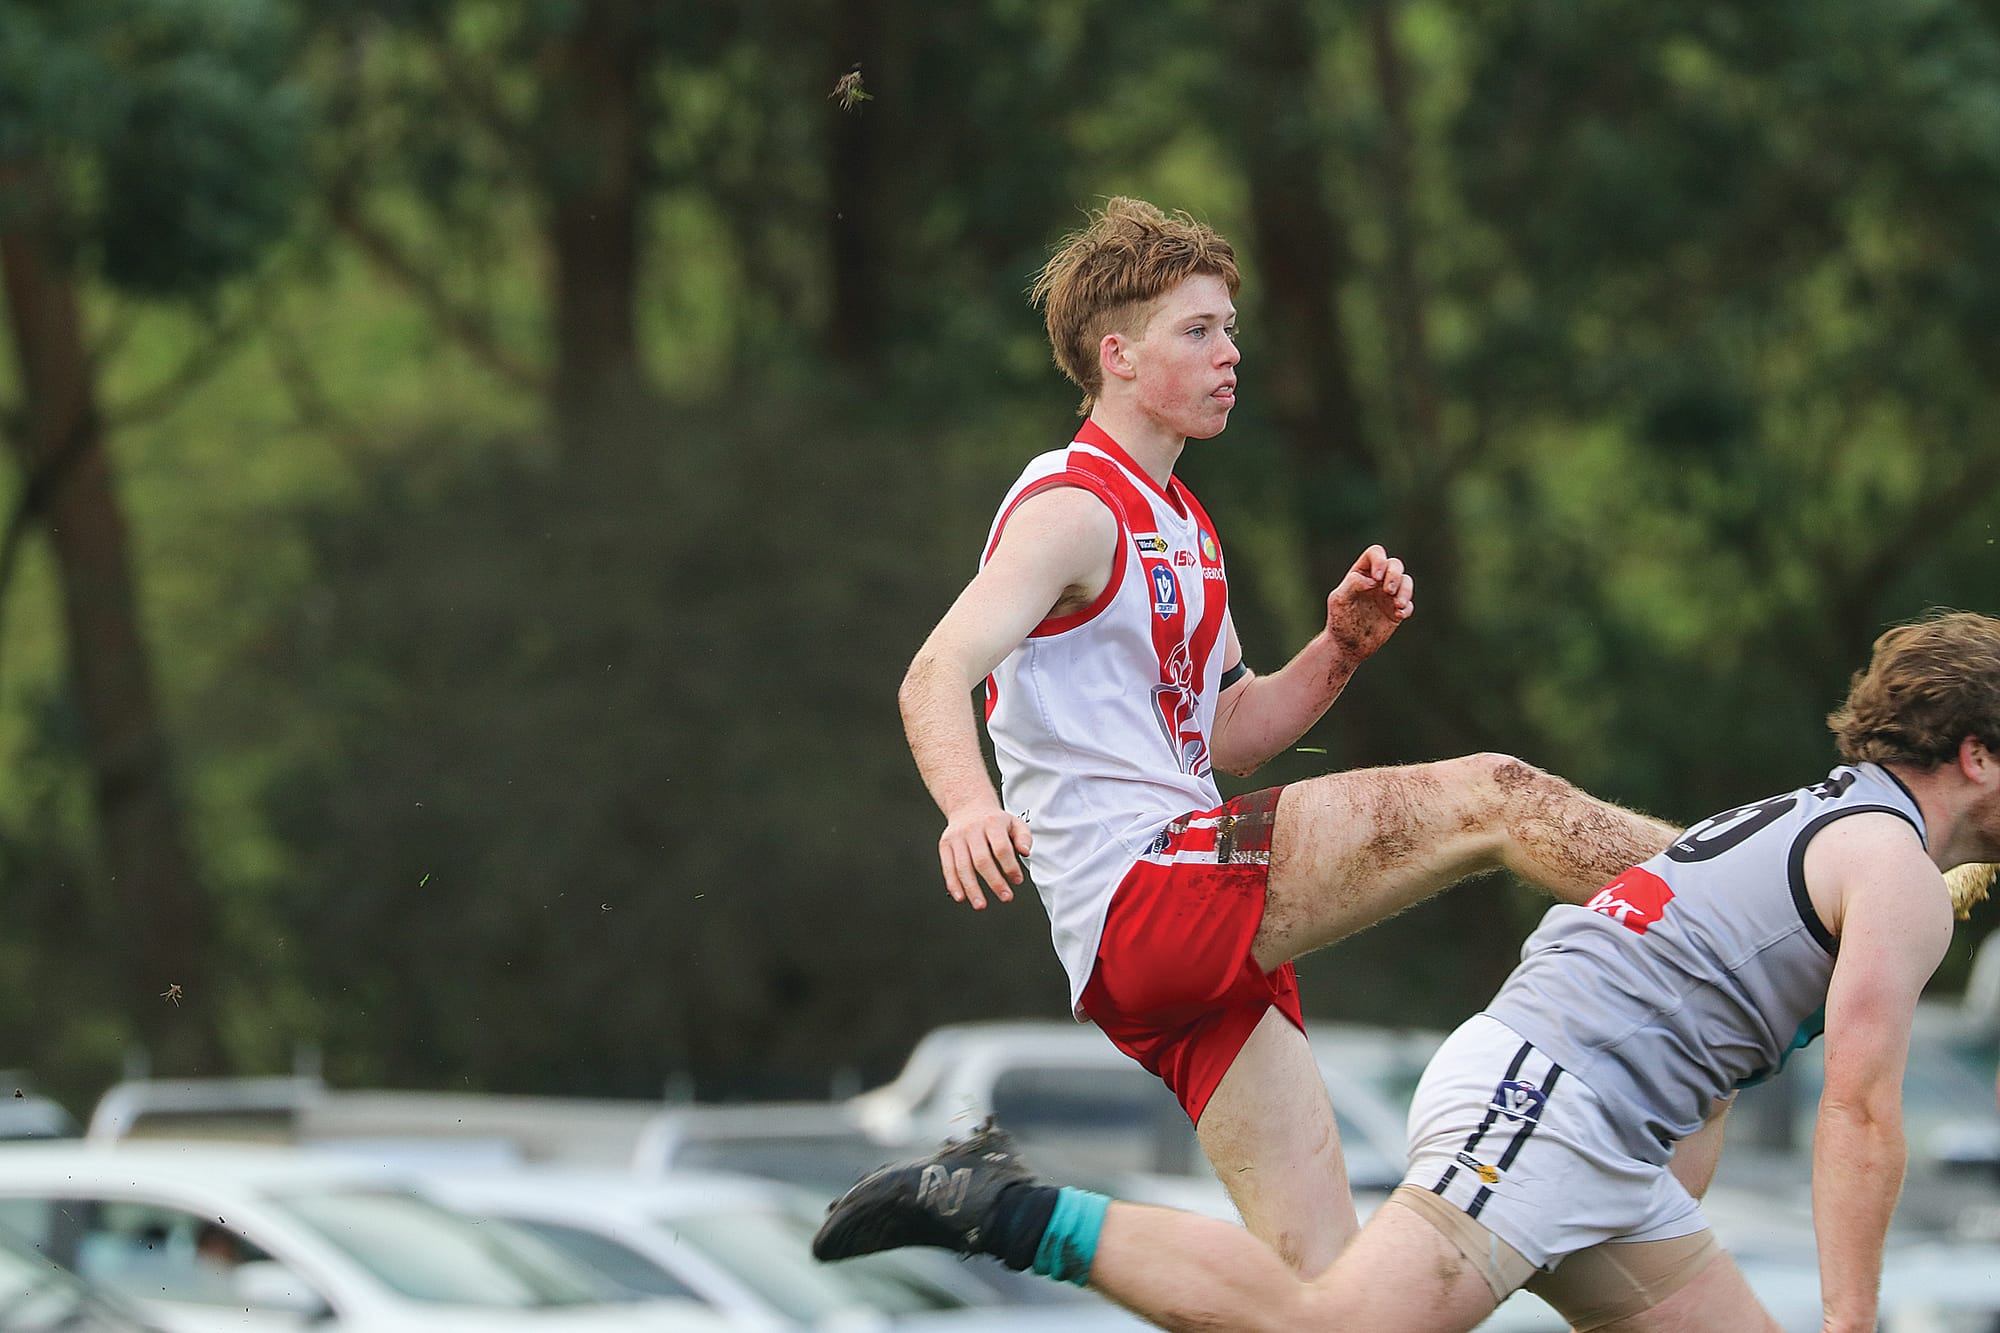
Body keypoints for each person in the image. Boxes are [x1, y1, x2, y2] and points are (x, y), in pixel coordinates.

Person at [828, 609, 2000, 1332]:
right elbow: (1856, 1109)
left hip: (1586, 1131)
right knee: (1332, 1327)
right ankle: (999, 1205)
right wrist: (1851, 1317)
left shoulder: (1824, 820)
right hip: (1545, 1100)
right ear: (1975, 753)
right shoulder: (1891, 872)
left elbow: (1700, 1039)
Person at [898, 195, 1680, 1275]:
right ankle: (1727, 895)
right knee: (1493, 792)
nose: (1229, 354)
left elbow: (1229, 734)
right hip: (1148, 891)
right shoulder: (1074, 505)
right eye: (1197, 331)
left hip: (1153, 928)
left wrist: (1337, 649)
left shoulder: (1181, 518)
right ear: (1115, 356)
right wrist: (967, 808)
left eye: (1229, 329)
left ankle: (1007, 1212)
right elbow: (935, 670)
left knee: (1324, 1282)